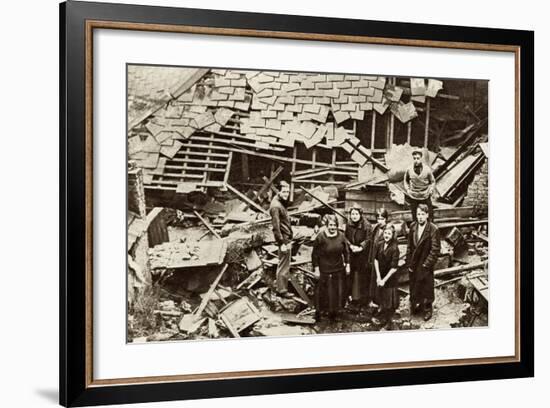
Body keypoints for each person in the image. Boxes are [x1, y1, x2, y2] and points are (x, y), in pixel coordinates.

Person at [406, 204, 441, 321]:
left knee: (427, 287)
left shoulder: (433, 229)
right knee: (415, 285)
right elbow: (409, 246)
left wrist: (427, 264)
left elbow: (435, 249)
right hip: (415, 263)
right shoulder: (413, 226)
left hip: (425, 264)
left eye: (422, 214)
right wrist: (409, 262)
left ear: (427, 215)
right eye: (418, 214)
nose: (420, 217)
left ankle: (427, 308)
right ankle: (417, 305)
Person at [312, 214, 350, 320]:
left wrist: (347, 264)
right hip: (324, 268)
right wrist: (316, 268)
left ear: (337, 226)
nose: (332, 227)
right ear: (327, 226)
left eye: (334, 225)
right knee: (323, 290)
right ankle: (320, 312)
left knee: (336, 291)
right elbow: (314, 254)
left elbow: (346, 251)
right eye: (330, 225)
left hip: (338, 268)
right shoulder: (321, 237)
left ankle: (334, 313)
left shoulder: (341, 236)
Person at [269, 181, 295, 298]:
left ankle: (281, 287)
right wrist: (281, 243)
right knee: (283, 265)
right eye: (284, 191)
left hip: (287, 237)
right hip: (284, 239)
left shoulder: (280, 203)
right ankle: (282, 290)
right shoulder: (276, 206)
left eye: (288, 192)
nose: (286, 194)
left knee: (284, 262)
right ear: (278, 191)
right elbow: (276, 227)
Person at [344, 205, 373, 307]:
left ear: (360, 214)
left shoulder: (367, 225)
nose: (354, 216)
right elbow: (345, 237)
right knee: (350, 275)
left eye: (356, 214)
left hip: (362, 255)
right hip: (352, 253)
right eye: (352, 214)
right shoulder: (348, 224)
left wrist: (361, 247)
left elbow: (369, 239)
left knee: (363, 276)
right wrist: (350, 246)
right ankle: (351, 298)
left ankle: (363, 300)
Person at [372, 224, 400, 327]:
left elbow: (394, 268)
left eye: (389, 233)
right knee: (381, 297)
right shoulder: (380, 244)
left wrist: (384, 280)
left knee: (389, 301)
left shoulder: (394, 248)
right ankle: (381, 313)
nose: (386, 235)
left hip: (390, 278)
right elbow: (375, 260)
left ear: (393, 235)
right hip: (381, 276)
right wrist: (379, 277)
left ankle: (388, 322)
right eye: (385, 233)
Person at [403, 149, 436, 222]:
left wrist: (431, 190)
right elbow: (405, 181)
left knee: (430, 215)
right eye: (414, 158)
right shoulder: (409, 169)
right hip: (414, 195)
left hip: (425, 195)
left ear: (421, 158)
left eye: (418, 158)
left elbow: (433, 181)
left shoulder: (427, 169)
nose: (416, 160)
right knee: (415, 216)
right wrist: (408, 190)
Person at [368, 208, 389, 307]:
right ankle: (375, 301)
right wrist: (370, 259)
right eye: (378, 218)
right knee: (373, 280)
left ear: (386, 219)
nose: (380, 221)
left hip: (383, 260)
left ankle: (382, 303)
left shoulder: (388, 230)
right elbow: (371, 243)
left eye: (382, 219)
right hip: (374, 257)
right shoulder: (375, 229)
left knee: (381, 279)